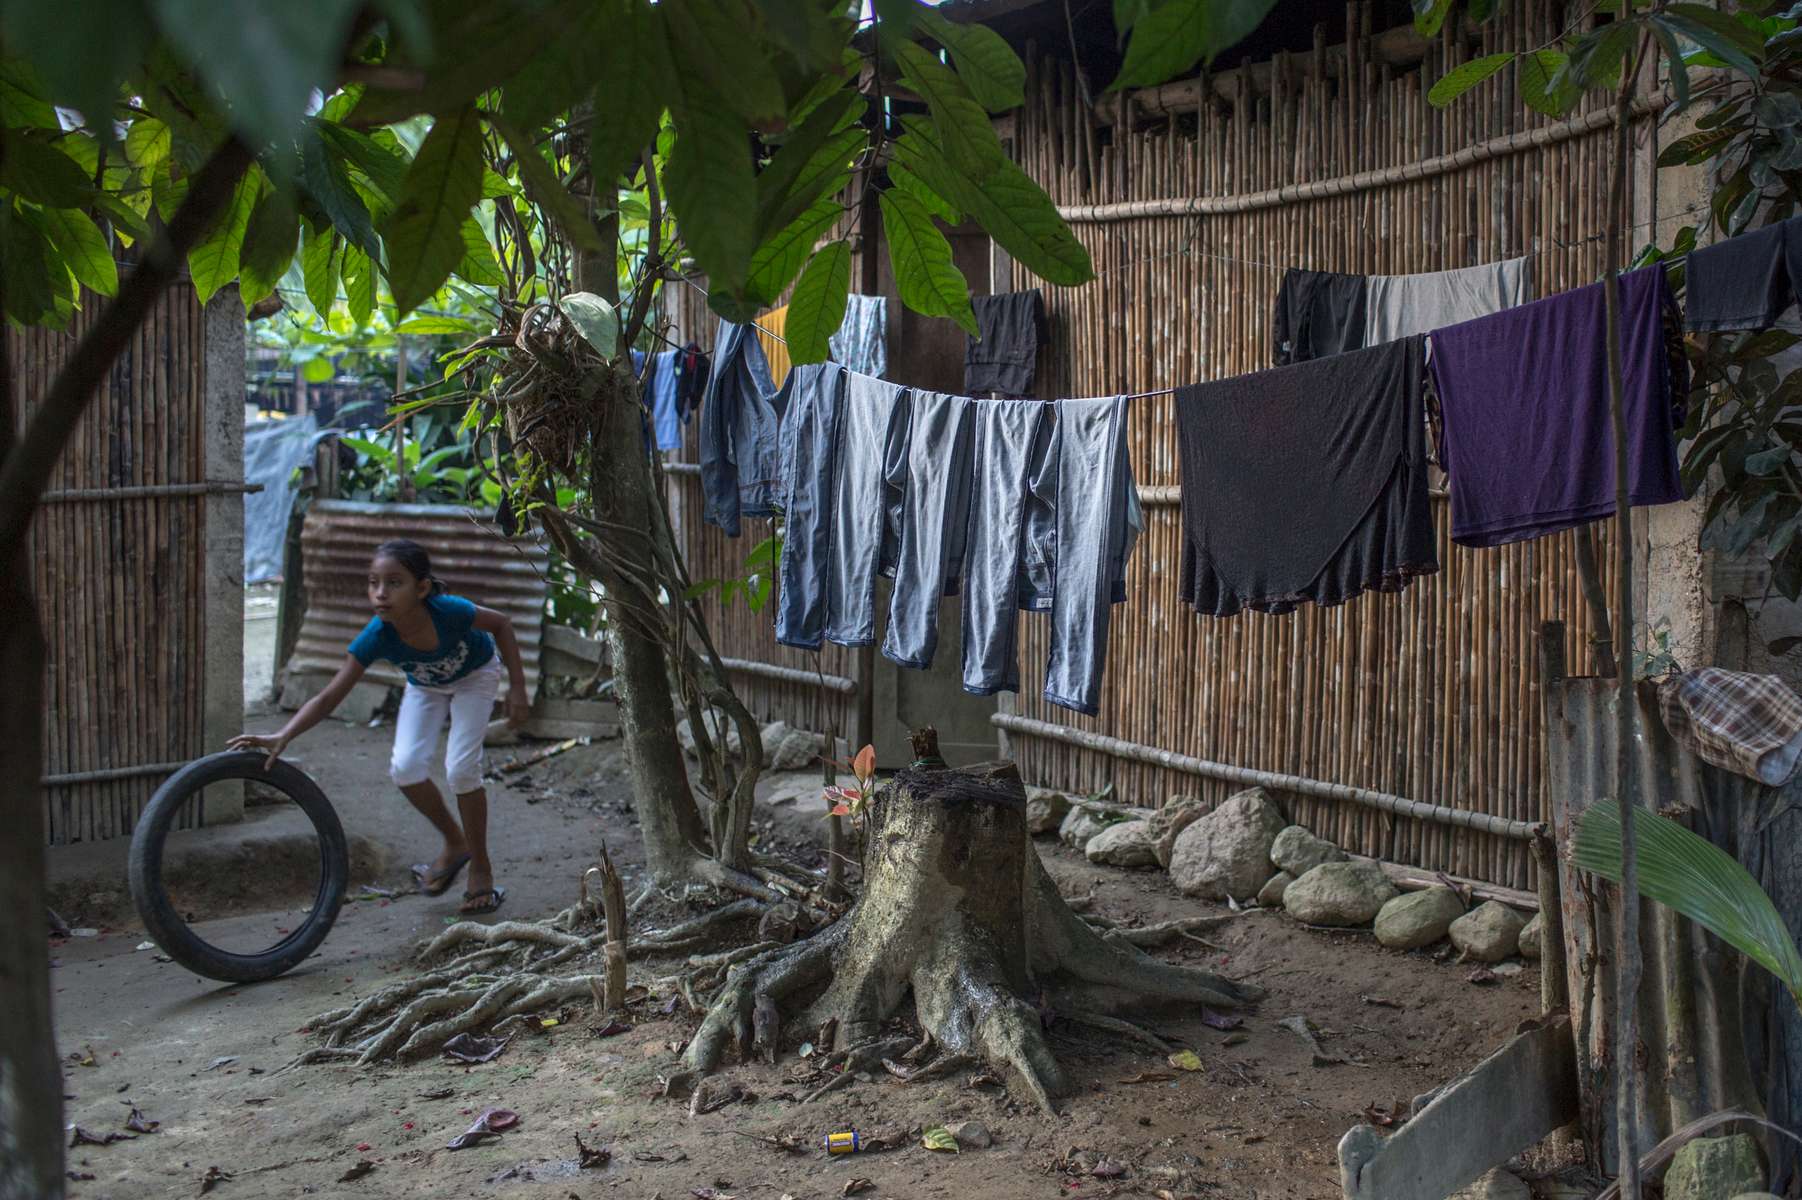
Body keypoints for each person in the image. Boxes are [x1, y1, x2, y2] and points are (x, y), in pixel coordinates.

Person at [230, 539, 529, 915]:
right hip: (425, 685)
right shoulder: (376, 635)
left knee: (461, 768)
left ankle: (481, 866)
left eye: (393, 583)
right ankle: (456, 843)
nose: (380, 593)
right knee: (405, 768)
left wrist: (517, 688)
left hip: (476, 675)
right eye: (373, 583)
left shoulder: (448, 611)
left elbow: (501, 624)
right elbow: (328, 697)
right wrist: (283, 734)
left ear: (421, 588)